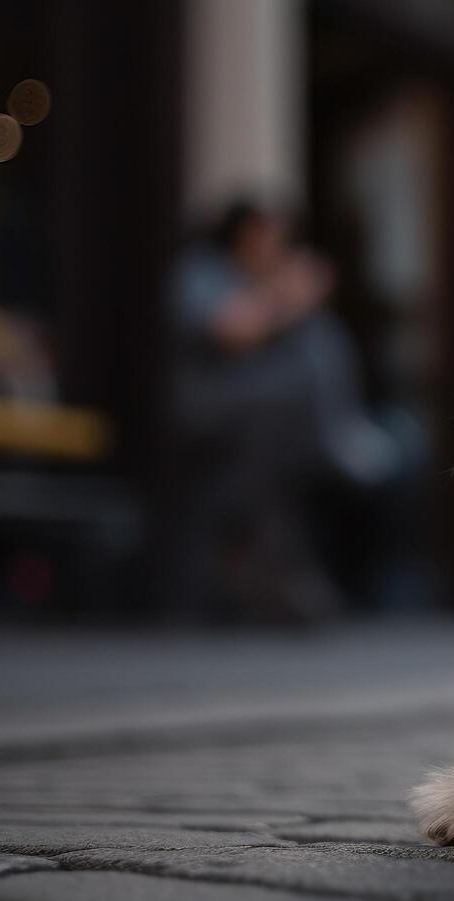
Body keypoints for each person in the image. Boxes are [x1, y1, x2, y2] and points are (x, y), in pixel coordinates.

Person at [168, 200, 397, 621]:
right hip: (218, 416)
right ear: (242, 235)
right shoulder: (205, 273)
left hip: (289, 424)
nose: (275, 249)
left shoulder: (270, 283)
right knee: (268, 455)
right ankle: (279, 570)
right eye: (267, 237)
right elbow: (233, 332)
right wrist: (290, 296)